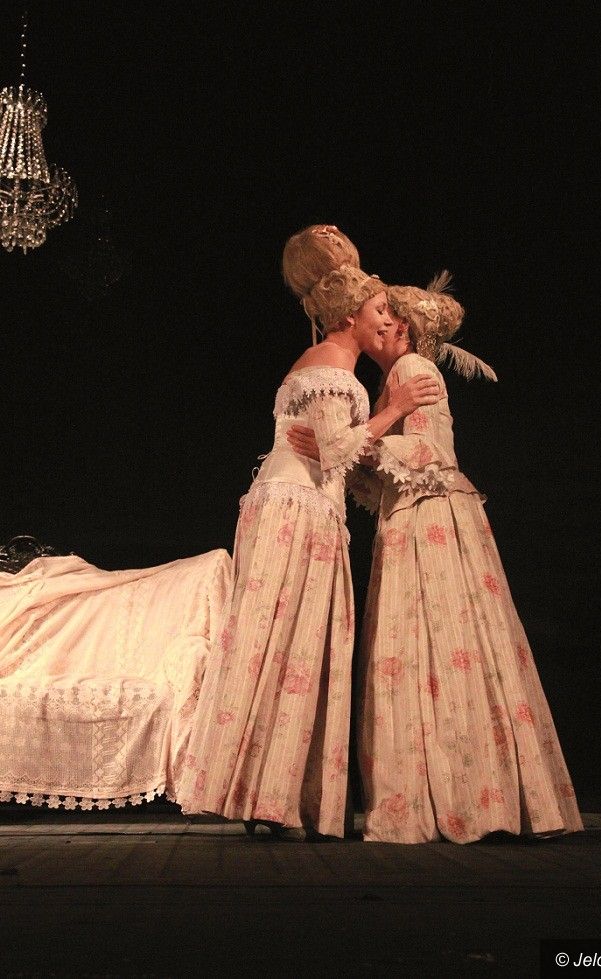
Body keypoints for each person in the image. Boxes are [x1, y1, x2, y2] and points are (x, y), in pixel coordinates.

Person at [287, 273, 584, 843]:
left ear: (408, 329)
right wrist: (343, 449)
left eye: (394, 317)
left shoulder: (410, 370)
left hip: (431, 520)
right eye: (383, 314)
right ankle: (466, 793)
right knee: (432, 647)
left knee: (438, 644)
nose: (385, 323)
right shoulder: (392, 381)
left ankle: (467, 799)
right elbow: (387, 469)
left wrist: (352, 444)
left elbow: (428, 454)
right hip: (413, 515)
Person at [176, 226, 441, 838]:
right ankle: (265, 797)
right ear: (349, 315)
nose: (386, 320)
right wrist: (394, 410)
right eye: (379, 310)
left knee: (296, 645)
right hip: (295, 512)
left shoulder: (333, 368)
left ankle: (276, 796)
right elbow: (337, 449)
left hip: (303, 508)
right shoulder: (331, 369)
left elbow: (334, 451)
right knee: (288, 645)